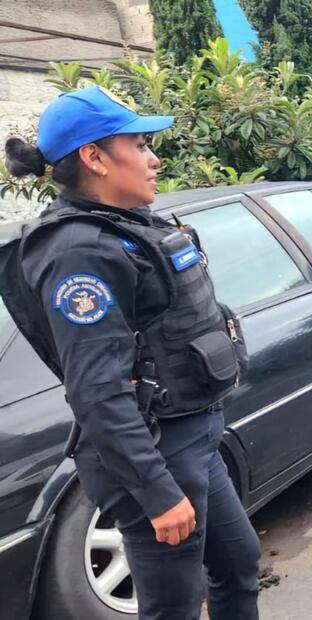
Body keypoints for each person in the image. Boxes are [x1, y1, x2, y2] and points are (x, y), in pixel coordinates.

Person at [0, 87, 260, 619]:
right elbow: (97, 390)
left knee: (237, 565)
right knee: (174, 607)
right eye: (139, 145)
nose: (154, 158)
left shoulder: (131, 226)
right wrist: (157, 493)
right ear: (94, 157)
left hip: (195, 439)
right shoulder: (78, 253)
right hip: (156, 452)